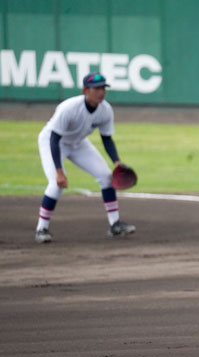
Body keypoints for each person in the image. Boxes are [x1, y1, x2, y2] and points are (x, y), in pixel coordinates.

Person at [34, 72, 136, 243]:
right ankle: (41, 228)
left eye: (103, 88)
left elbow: (106, 138)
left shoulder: (105, 110)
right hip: (52, 142)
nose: (101, 92)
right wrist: (59, 171)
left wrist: (116, 161)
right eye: (96, 88)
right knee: (56, 184)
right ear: (85, 90)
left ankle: (115, 225)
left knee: (106, 176)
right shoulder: (69, 108)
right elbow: (54, 139)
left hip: (78, 143)